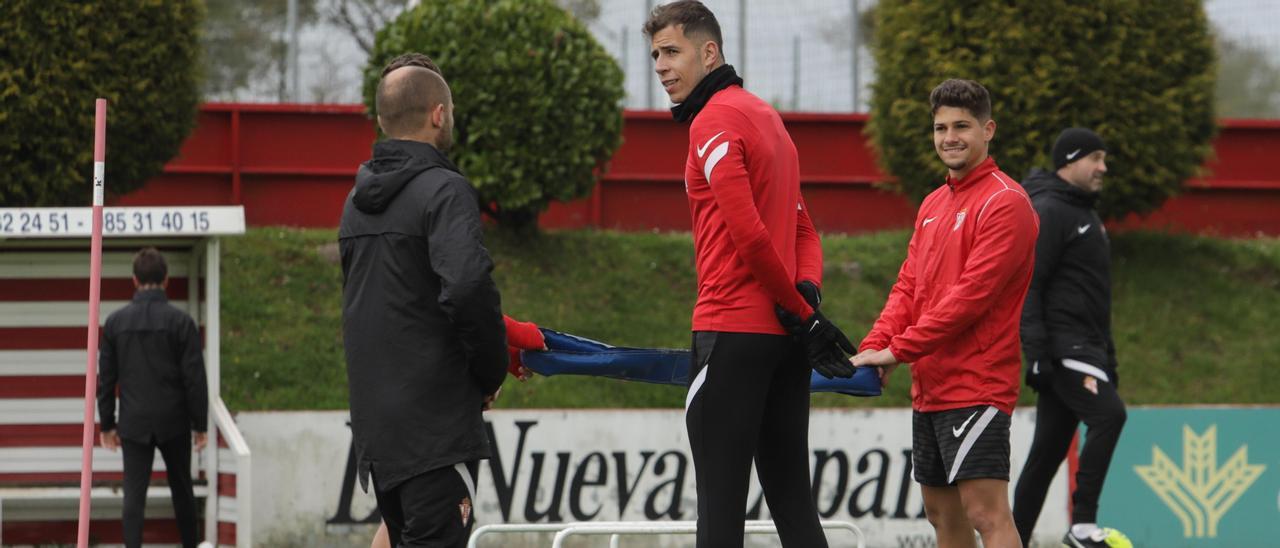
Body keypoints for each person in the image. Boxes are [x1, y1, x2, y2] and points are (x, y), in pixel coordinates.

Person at [644, 2, 856, 546]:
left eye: (672, 51)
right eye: (654, 55)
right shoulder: (767, 117)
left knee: (719, 515)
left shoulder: (711, 120)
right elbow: (805, 230)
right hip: (784, 342)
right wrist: (805, 304)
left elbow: (750, 234)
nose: (661, 66)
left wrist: (800, 311)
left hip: (732, 336)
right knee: (794, 507)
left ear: (709, 51)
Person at [850, 79, 1038, 548]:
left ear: (988, 130)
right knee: (942, 516)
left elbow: (970, 298)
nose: (949, 137)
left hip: (978, 384)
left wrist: (898, 351)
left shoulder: (1006, 202)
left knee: (986, 514)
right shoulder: (934, 203)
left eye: (962, 126)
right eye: (940, 128)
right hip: (930, 385)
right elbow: (909, 287)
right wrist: (875, 345)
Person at [340, 52, 508, 547]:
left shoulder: (354, 203)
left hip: (379, 430)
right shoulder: (445, 190)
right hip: (434, 427)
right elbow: (468, 287)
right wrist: (488, 372)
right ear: (439, 114)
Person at [1012, 128, 1129, 548]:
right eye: (1095, 158)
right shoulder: (1049, 209)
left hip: (1087, 349)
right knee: (1109, 416)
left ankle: (1011, 541)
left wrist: (1108, 359)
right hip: (1064, 349)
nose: (1103, 167)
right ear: (1069, 161)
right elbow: (1030, 284)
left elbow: (1096, 298)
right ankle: (1082, 525)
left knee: (1045, 455)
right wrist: (1037, 353)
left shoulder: (1086, 214)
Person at [97, 247, 208, 548]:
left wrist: (106, 424)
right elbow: (194, 378)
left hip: (134, 422)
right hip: (174, 421)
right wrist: (200, 424)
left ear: (134, 280)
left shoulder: (115, 323)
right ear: (166, 279)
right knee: (182, 491)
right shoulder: (181, 323)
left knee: (134, 496)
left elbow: (106, 378)